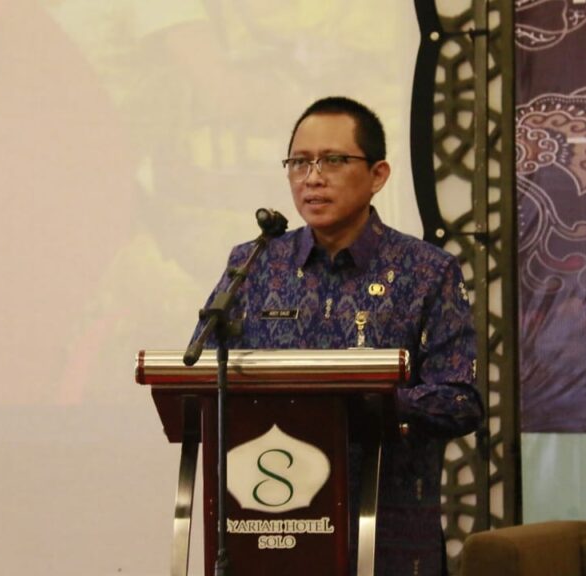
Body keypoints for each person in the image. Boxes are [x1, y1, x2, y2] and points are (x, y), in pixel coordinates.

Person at [197, 96, 483, 575]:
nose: (312, 177)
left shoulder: (427, 271)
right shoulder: (255, 263)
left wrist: (360, 403)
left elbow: (460, 401)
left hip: (386, 535)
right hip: (271, 530)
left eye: (332, 160)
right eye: (299, 162)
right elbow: (206, 374)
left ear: (378, 175)